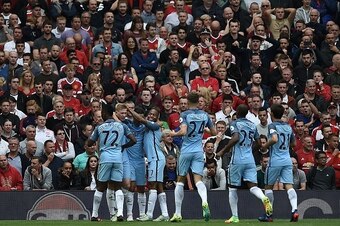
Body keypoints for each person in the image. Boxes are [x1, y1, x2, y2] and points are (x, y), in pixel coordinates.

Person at [216, 104, 272, 223]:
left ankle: (235, 216)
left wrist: (222, 151)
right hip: (249, 159)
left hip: (237, 160)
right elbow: (258, 143)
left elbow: (235, 138)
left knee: (232, 188)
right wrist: (249, 151)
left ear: (238, 114)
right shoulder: (252, 125)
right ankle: (264, 198)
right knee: (253, 186)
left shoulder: (235, 123)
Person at [170, 92, 217, 222]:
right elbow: (213, 132)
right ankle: (204, 201)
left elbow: (183, 131)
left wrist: (172, 134)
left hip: (186, 150)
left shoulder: (185, 114)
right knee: (198, 180)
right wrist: (204, 130)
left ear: (188, 102)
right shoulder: (205, 115)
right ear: (198, 101)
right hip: (198, 151)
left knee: (180, 180)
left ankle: (178, 213)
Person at [88, 103, 136, 222]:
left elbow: (90, 143)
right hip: (117, 158)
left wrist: (93, 140)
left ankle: (94, 214)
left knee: (100, 187)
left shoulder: (100, 127)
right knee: (117, 186)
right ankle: (120, 213)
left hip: (105, 158)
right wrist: (122, 146)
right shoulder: (121, 126)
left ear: (104, 113)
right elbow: (133, 140)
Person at [128, 107, 169, 222]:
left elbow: (140, 119)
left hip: (155, 159)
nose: (151, 116)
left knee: (152, 185)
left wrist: (129, 109)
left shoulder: (155, 126)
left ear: (158, 117)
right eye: (150, 114)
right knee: (159, 187)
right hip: (155, 159)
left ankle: (149, 214)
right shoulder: (147, 128)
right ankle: (165, 214)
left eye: (154, 115)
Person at [260, 104, 298, 222]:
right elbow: (294, 144)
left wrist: (264, 146)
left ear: (271, 114)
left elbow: (275, 139)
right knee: (289, 186)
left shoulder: (272, 125)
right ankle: (295, 210)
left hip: (275, 160)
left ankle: (269, 215)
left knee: (268, 187)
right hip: (287, 159)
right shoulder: (288, 127)